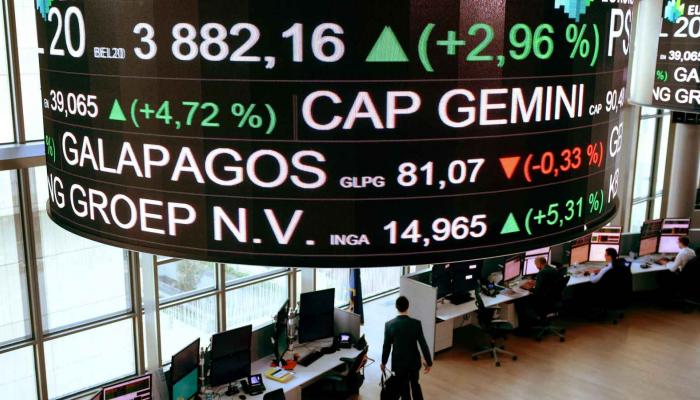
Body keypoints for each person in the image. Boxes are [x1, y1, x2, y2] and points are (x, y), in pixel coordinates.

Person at [381, 296, 432, 400]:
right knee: (415, 384)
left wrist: (383, 362)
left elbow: (386, 347)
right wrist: (429, 362)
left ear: (396, 307)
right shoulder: (416, 324)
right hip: (414, 362)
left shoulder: (389, 325)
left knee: (404, 390)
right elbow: (423, 344)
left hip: (399, 364)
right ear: (408, 306)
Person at [516, 257, 560, 329]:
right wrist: (537, 282)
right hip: (553, 299)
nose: (536, 266)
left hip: (543, 302)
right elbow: (548, 283)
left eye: (536, 264)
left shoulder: (541, 273)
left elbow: (536, 292)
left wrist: (526, 287)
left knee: (520, 301)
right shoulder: (553, 270)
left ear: (539, 264)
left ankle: (524, 328)